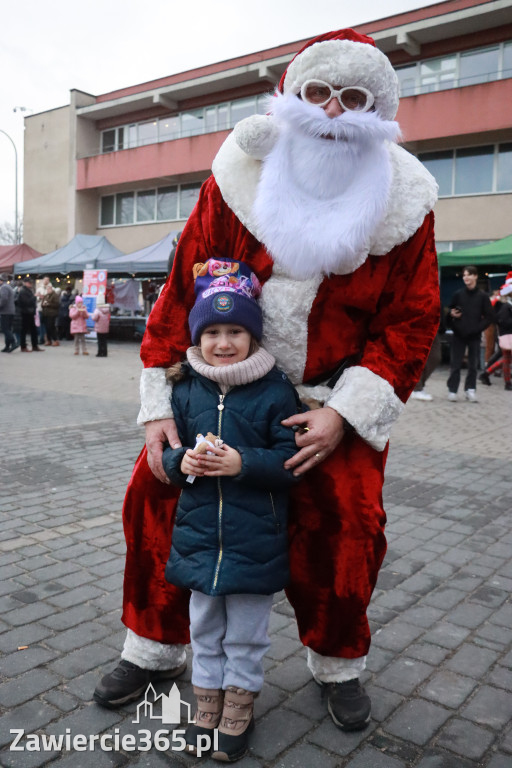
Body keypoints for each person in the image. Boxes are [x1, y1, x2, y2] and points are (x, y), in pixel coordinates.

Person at [94, 28, 440, 733]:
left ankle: (337, 659)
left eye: (355, 99)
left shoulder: (407, 203)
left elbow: (410, 323)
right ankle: (155, 648)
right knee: (156, 496)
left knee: (351, 525)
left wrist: (344, 415)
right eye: (319, 94)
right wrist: (159, 400)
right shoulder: (237, 175)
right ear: (291, 97)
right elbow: (182, 289)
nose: (335, 112)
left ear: (381, 112)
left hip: (325, 404)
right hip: (214, 388)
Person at [157, 259, 299, 760]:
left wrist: (243, 462)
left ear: (253, 335)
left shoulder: (275, 389)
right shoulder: (185, 387)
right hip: (199, 537)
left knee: (246, 633)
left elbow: (291, 461)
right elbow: (164, 460)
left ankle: (239, 706)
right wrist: (183, 461)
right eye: (212, 331)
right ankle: (207, 702)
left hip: (254, 539)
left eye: (235, 330)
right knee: (204, 628)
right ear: (198, 335)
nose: (222, 342)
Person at [446, 266, 493, 402]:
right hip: (458, 334)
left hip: (474, 335)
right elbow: (449, 313)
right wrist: (451, 315)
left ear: (475, 276)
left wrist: (478, 328)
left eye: (469, 275)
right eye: (464, 275)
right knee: (455, 364)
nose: (466, 277)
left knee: (473, 364)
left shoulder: (483, 296)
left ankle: (470, 390)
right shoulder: (458, 294)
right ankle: (452, 390)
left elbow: (490, 316)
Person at [480, 273, 512, 391]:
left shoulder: (506, 304)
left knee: (506, 359)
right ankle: (504, 381)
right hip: (506, 334)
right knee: (504, 358)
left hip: (506, 334)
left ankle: (487, 373)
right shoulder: (505, 305)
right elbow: (503, 321)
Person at [17, 277, 45, 353]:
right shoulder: (23, 291)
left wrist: (37, 297)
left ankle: (35, 346)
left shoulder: (29, 290)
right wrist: (34, 296)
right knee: (24, 330)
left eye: (31, 283)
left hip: (31, 312)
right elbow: (26, 302)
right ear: (25, 283)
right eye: (29, 283)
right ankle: (23, 346)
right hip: (25, 312)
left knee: (34, 330)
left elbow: (32, 301)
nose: (31, 284)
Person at [0, 273, 17, 353]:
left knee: (5, 328)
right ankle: (7, 346)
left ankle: (13, 342)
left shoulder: (3, 287)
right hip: (11, 311)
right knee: (8, 328)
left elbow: (4, 299)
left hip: (5, 311)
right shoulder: (9, 286)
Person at [36, 275, 52, 346]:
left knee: (46, 325)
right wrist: (39, 297)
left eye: (47, 280)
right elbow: (36, 298)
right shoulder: (39, 288)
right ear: (43, 280)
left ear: (49, 281)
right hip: (40, 308)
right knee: (40, 325)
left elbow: (52, 298)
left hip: (47, 309)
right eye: (45, 280)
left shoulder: (51, 288)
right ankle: (41, 338)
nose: (46, 281)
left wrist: (45, 298)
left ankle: (45, 339)